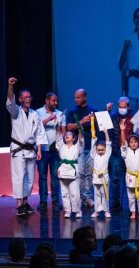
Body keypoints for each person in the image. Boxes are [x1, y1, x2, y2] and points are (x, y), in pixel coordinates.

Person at [6, 77, 48, 216]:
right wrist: (10, 86)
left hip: (31, 150)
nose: (28, 99)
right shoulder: (15, 112)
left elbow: (40, 133)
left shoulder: (35, 114)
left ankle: (25, 202)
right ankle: (19, 204)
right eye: (24, 97)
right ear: (20, 100)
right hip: (18, 150)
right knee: (19, 177)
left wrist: (40, 150)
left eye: (29, 97)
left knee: (30, 178)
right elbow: (10, 102)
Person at [66, 88, 99, 208]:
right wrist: (82, 121)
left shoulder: (93, 110)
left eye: (78, 97)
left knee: (89, 174)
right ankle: (79, 196)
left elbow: (99, 126)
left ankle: (87, 196)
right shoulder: (73, 112)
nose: (76, 99)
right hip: (78, 147)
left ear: (84, 97)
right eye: (75, 97)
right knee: (79, 173)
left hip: (91, 146)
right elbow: (69, 127)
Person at [36, 92, 65, 210]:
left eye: (56, 101)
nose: (56, 103)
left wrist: (58, 126)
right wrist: (48, 119)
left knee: (55, 176)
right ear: (47, 101)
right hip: (42, 150)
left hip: (55, 151)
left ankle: (55, 201)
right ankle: (42, 201)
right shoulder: (37, 113)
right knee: (42, 176)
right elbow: (36, 128)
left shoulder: (60, 114)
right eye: (54, 101)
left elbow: (63, 132)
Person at [107, 97, 135, 210]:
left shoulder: (134, 117)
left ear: (128, 107)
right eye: (120, 107)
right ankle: (115, 204)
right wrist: (107, 111)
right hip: (116, 150)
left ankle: (132, 204)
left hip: (131, 151)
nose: (122, 109)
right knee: (115, 178)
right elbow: (104, 127)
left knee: (132, 176)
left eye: (124, 107)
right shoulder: (113, 116)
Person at [120, 120, 139, 220]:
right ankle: (133, 212)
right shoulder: (126, 151)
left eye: (135, 142)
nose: (133, 144)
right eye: (131, 142)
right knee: (131, 197)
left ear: (138, 143)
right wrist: (122, 131)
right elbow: (123, 144)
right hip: (130, 176)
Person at [56, 126, 83, 218]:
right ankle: (67, 210)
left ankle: (77, 210)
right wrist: (58, 127)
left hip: (72, 171)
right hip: (63, 170)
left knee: (74, 193)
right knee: (64, 193)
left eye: (69, 135)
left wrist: (80, 131)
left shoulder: (76, 147)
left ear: (74, 138)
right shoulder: (61, 146)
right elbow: (58, 138)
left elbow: (81, 141)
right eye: (66, 135)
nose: (67, 136)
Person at [91, 129, 112, 218]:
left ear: (105, 150)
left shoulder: (106, 155)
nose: (100, 151)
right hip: (96, 177)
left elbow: (108, 143)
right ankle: (96, 211)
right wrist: (93, 135)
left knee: (105, 194)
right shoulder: (94, 155)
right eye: (98, 150)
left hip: (104, 178)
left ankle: (106, 210)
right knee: (96, 195)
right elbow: (93, 146)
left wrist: (106, 133)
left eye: (102, 150)